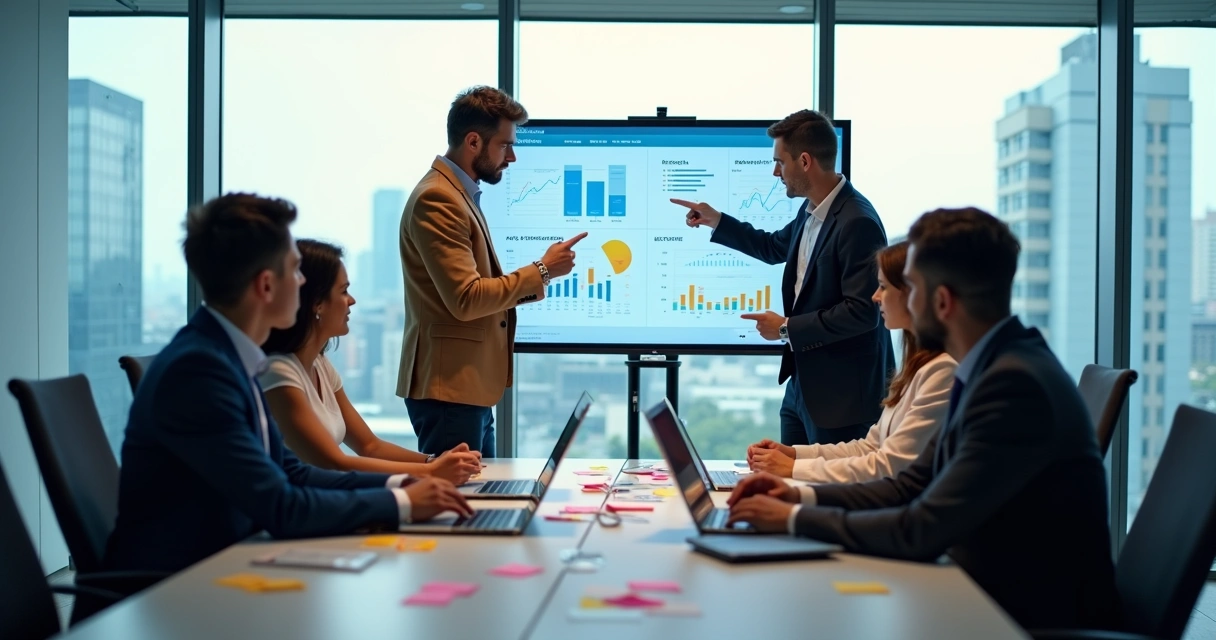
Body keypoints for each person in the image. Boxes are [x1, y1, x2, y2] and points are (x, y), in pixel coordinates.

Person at [726, 207, 1118, 631]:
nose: (883, 297)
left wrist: (791, 519)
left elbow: (921, 529)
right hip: (987, 592)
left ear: (942, 301)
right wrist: (798, 498)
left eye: (908, 287)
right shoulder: (993, 366)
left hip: (1022, 617)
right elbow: (909, 485)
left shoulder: (1012, 386)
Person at [104, 194, 472, 574]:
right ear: (266, 286)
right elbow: (281, 507)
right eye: (296, 271)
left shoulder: (230, 357)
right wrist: (404, 504)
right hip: (173, 592)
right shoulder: (200, 370)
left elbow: (290, 472)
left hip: (223, 564)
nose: (302, 282)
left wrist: (403, 484)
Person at [673, 109, 892, 446]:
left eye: (780, 162)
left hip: (842, 401)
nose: (776, 172)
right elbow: (773, 246)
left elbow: (863, 312)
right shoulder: (813, 211)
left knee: (829, 495)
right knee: (789, 485)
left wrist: (787, 328)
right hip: (803, 391)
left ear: (804, 161)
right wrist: (717, 220)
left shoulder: (856, 222)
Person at [397, 86, 586, 456]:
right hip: (448, 390)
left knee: (480, 498)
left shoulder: (459, 194)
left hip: (465, 387)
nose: (511, 157)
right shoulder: (439, 198)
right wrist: (543, 270)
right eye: (504, 145)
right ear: (472, 142)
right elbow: (466, 298)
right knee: (459, 504)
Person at [259, 239, 482, 486]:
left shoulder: (320, 366)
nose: (352, 300)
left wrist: (434, 461)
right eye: (343, 291)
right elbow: (335, 463)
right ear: (317, 304)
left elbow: (370, 445)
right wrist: (433, 473)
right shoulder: (278, 372)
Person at [745, 241, 955, 482]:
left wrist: (792, 469)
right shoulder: (917, 365)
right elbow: (869, 448)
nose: (875, 297)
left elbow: (888, 466)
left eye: (883, 287)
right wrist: (794, 454)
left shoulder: (942, 370)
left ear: (914, 294)